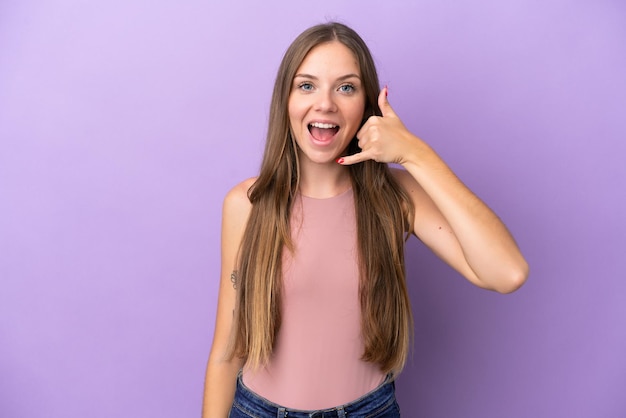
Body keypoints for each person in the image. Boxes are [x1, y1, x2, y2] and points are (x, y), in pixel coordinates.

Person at [202, 22, 528, 417]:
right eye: (307, 85)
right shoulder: (247, 204)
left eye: (345, 87)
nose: (325, 104)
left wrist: (414, 154)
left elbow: (507, 272)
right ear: (285, 100)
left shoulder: (395, 196)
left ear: (367, 106)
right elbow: (225, 353)